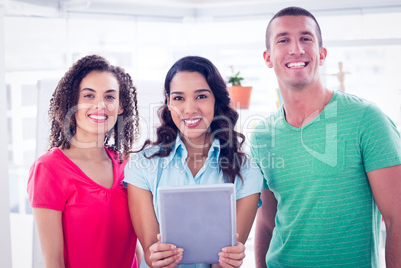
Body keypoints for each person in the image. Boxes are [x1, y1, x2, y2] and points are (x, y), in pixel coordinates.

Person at [251, 6, 401, 268]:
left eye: (306, 38)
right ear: (268, 57)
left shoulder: (366, 119)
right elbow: (266, 221)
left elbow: (396, 217)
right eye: (283, 40)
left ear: (321, 54)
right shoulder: (262, 136)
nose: (296, 48)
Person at [124, 56, 263, 268]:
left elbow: (224, 260)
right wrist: (157, 256)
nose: (189, 109)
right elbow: (152, 256)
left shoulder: (247, 171)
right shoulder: (141, 166)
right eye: (179, 98)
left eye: (201, 96)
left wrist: (229, 260)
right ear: (168, 102)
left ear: (216, 100)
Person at [27, 54, 140, 268]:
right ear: (72, 102)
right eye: (89, 95)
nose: (100, 105)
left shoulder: (128, 165)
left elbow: (135, 251)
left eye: (109, 97)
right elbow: (54, 262)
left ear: (121, 105)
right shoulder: (49, 169)